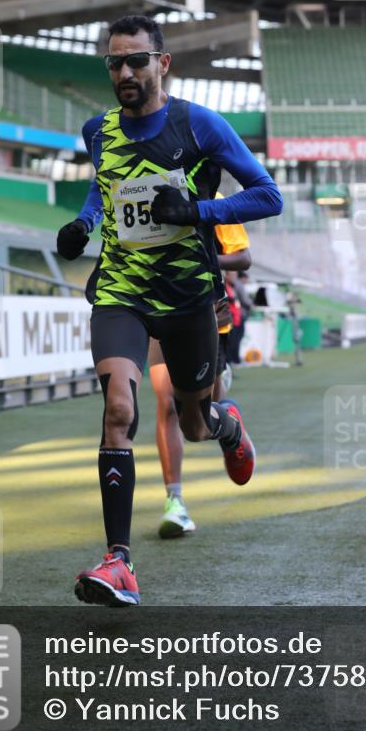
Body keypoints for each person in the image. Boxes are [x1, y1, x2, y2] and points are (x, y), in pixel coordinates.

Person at [56, 14, 282, 606]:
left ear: (163, 63)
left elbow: (268, 195)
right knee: (119, 408)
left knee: (193, 423)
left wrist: (197, 212)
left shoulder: (199, 124)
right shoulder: (97, 130)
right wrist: (84, 224)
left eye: (137, 60)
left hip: (188, 299)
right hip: (121, 293)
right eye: (115, 62)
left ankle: (227, 425)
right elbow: (103, 188)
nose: (125, 72)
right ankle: (119, 562)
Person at [149, 211, 251, 538]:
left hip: (208, 317)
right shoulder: (139, 191)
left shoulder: (214, 201)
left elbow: (243, 258)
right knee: (167, 404)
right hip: (157, 310)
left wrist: (205, 260)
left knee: (200, 421)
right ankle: (175, 502)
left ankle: (229, 424)